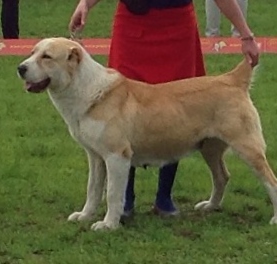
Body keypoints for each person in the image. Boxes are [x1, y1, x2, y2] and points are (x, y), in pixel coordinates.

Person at [69, 0, 259, 217]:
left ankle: (164, 197)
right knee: (120, 114)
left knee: (178, 112)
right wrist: (85, 3)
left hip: (177, 26)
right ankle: (124, 201)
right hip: (132, 26)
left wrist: (245, 34)